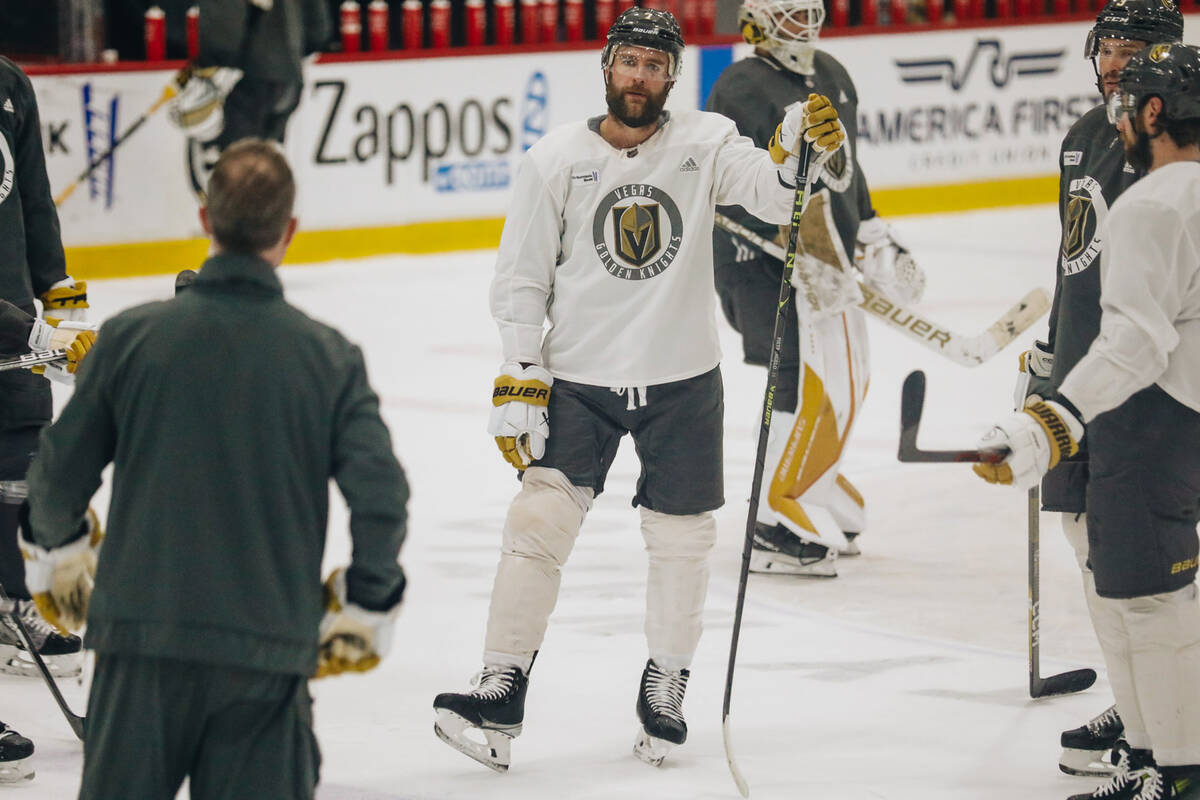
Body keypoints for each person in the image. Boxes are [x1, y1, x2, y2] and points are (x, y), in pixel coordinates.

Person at [431, 6, 845, 773]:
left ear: (672, 76)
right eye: (630, 63)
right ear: (608, 66)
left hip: (683, 379)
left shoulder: (706, 141)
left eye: (656, 66)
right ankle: (502, 681)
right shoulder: (555, 158)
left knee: (683, 542)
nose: (641, 77)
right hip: (581, 379)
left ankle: (666, 683)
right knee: (537, 522)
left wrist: (796, 153)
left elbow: (770, 190)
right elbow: (521, 278)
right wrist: (521, 377)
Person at [19, 139, 409, 800]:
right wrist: (370, 598)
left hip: (140, 643)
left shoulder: (131, 339)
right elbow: (382, 495)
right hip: (265, 649)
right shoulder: (328, 358)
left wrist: (57, 553)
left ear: (206, 219)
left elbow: (56, 478)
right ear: (290, 231)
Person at [975, 42, 1200, 800]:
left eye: (1129, 99)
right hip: (1187, 424)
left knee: (1147, 604)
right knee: (1156, 600)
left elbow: (1136, 343)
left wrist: (1052, 422)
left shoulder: (1153, 204)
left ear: (1154, 111)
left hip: (1152, 426)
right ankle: (1158, 763)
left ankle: (1171, 777)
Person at [706, 0, 925, 577]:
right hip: (758, 262)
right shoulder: (738, 85)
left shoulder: (832, 73)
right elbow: (733, 183)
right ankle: (774, 520)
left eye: (810, 11)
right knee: (799, 377)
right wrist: (788, 246)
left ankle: (812, 482)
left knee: (842, 378)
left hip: (823, 251)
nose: (803, 25)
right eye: (789, 14)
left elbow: (847, 165)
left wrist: (873, 231)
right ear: (756, 19)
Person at [0, 53, 95, 785]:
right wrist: (32, 336)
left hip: (12, 341)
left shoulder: (9, 86)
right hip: (11, 334)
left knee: (21, 468)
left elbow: (35, 205)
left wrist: (64, 308)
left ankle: (10, 605)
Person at [169, 0, 332, 198]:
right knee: (264, 177)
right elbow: (319, 29)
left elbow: (224, 25)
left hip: (245, 79)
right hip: (288, 80)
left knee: (235, 185)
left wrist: (209, 69)